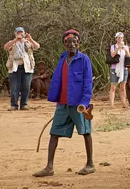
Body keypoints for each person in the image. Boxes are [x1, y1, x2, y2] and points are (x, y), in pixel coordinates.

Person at [33, 30, 94, 177]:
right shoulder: (62, 59)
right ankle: (49, 167)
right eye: (68, 42)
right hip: (62, 103)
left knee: (85, 132)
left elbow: (87, 84)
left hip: (78, 105)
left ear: (78, 43)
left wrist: (84, 103)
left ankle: (90, 164)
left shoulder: (84, 60)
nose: (71, 44)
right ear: (64, 44)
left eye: (74, 42)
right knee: (54, 133)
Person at [4, 26, 40, 111]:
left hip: (27, 67)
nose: (20, 34)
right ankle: (14, 105)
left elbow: (37, 46)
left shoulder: (28, 42)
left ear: (24, 33)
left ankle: (24, 104)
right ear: (15, 33)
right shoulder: (12, 42)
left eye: (21, 32)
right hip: (14, 67)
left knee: (26, 87)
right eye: (18, 32)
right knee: (14, 87)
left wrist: (30, 39)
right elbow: (5, 47)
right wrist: (15, 40)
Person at [108, 32, 130, 109]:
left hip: (124, 68)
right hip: (115, 68)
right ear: (116, 38)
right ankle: (112, 104)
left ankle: (124, 103)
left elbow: (128, 56)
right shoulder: (113, 46)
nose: (120, 39)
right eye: (118, 38)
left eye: (121, 38)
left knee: (123, 87)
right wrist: (118, 48)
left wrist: (125, 50)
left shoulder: (126, 47)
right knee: (113, 87)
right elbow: (112, 55)